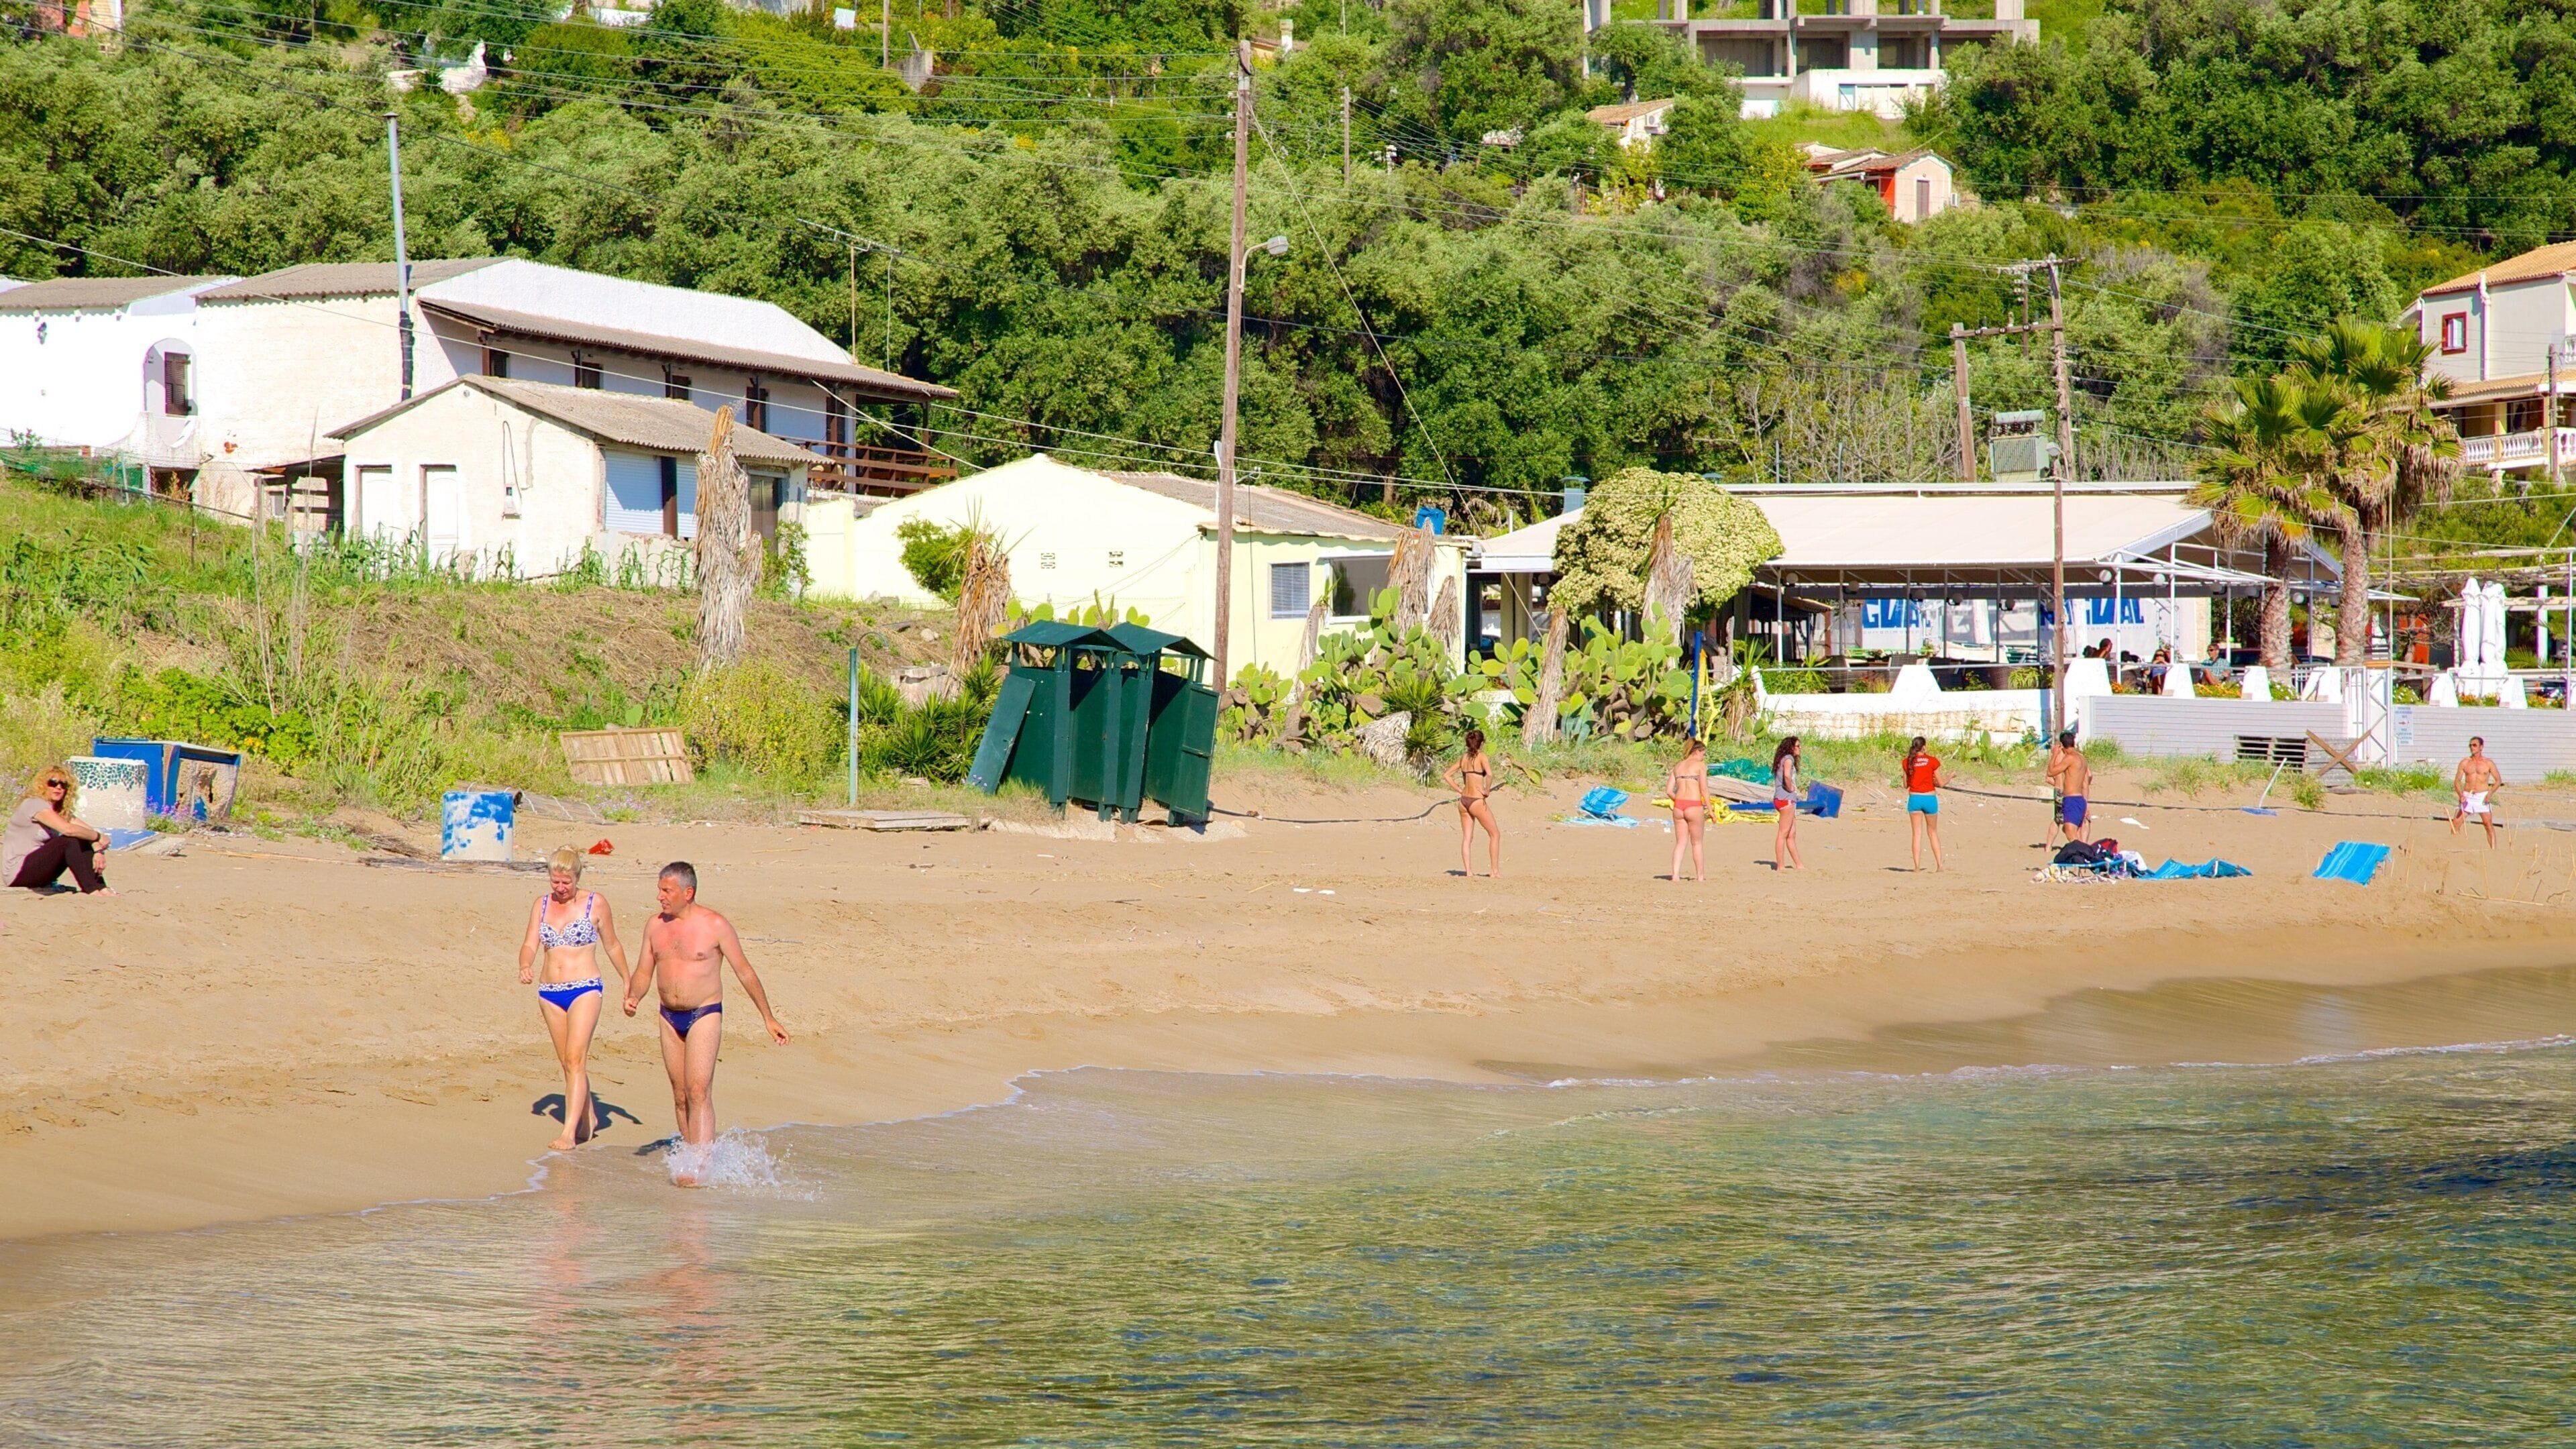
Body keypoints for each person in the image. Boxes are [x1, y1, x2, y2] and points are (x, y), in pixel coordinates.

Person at [622, 861, 789, 1186]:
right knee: (680, 1093)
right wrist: (634, 996)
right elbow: (644, 971)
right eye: (659, 889)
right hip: (668, 1016)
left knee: (698, 1089)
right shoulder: (654, 926)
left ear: (689, 892)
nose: (660, 897)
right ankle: (690, 1154)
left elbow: (745, 972)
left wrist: (768, 1017)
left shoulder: (715, 925)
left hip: (704, 1013)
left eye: (666, 890)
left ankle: (698, 1166)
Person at [517, 846, 631, 1152]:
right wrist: (525, 964)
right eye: (555, 882)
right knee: (567, 1062)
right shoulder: (541, 905)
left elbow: (614, 946)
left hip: (585, 988)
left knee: (576, 1059)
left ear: (577, 877)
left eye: (566, 882)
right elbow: (529, 943)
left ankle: (569, 1133)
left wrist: (628, 981)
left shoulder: (596, 903)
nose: (560, 888)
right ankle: (587, 1115)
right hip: (550, 992)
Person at [4, 765, 113, 895]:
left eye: (64, 784)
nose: (58, 787)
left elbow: (87, 831)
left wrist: (98, 850)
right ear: (43, 785)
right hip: (18, 872)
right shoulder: (34, 804)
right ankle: (93, 890)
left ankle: (102, 889)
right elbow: (69, 830)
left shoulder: (59, 811)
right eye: (53, 783)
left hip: (43, 873)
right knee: (70, 840)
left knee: (80, 837)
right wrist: (98, 837)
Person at [1441, 727, 1503, 878]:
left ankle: (1468, 871)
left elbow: (1447, 775)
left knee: (1467, 838)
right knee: (1495, 834)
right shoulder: (1482, 757)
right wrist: (1487, 790)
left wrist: (1460, 790)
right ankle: (1494, 871)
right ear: (1481, 744)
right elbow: (1489, 774)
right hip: (1476, 800)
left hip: (1464, 801)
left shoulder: (1464, 757)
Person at [1664, 735, 1709, 883]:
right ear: (1697, 752)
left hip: (1679, 805)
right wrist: (1710, 809)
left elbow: (1669, 791)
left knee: (1680, 842)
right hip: (1694, 804)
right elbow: (1704, 789)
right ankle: (1700, 876)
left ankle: (1675, 875)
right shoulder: (1700, 766)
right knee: (1697, 843)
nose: (1703, 757)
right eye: (1703, 754)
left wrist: (1677, 800)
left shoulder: (1678, 766)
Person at [1900, 735, 1945, 871]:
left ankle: (1917, 867)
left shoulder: (1907, 762)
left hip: (1914, 799)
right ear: (1924, 747)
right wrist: (1951, 776)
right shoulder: (1932, 761)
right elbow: (1941, 783)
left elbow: (1905, 785)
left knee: (1917, 834)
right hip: (1930, 798)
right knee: (1932, 832)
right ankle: (1939, 865)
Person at [2453, 737, 2504, 846]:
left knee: (2487, 825)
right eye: (2470, 745)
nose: (2472, 747)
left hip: (2482, 796)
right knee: (2456, 823)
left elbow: (2498, 780)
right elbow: (2457, 781)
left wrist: (2490, 793)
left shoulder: (2488, 763)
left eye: (2475, 745)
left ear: (2481, 747)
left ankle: (2493, 850)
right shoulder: (2465, 762)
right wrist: (2460, 794)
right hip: (2468, 796)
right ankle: (2455, 846)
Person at [2046, 729, 2092, 845]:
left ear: (2061, 745)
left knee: (2071, 835)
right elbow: (2087, 781)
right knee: (2072, 832)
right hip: (2080, 799)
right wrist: (2086, 803)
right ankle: (2081, 855)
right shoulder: (2082, 758)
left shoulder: (2070, 758)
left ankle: (2084, 855)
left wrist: (2054, 755)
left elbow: (2051, 772)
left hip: (2071, 799)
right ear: (2073, 743)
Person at [1770, 735, 1805, 871]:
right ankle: (1780, 866)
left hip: (1782, 799)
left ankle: (1799, 865)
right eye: (1797, 746)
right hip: (1786, 799)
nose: (1799, 748)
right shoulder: (1789, 759)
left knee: (1791, 834)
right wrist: (1791, 788)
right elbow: (1786, 775)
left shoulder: (1782, 759)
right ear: (1791, 747)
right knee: (1783, 833)